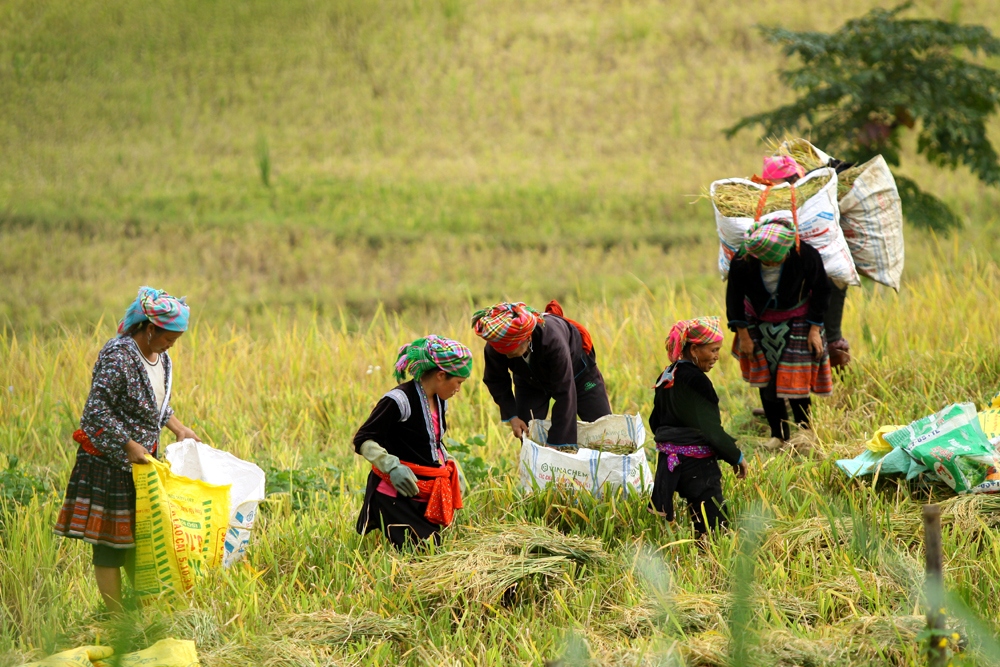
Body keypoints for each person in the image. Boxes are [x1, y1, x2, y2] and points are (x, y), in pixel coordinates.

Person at [54, 287, 199, 614]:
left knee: (142, 539)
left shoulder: (162, 359)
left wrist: (179, 428)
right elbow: (95, 413)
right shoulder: (119, 357)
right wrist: (128, 444)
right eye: (168, 338)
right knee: (110, 545)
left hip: (142, 466)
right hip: (108, 463)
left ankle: (141, 610)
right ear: (150, 329)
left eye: (176, 340)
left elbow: (156, 405)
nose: (171, 344)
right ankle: (117, 618)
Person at [353, 335, 472, 549]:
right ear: (441, 375)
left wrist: (451, 465)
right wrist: (393, 467)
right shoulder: (399, 400)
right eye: (458, 383)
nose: (458, 389)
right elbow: (364, 439)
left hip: (421, 490)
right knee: (426, 551)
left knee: (436, 545)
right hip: (395, 493)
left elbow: (433, 442)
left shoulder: (439, 401)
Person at [727, 215, 833, 448]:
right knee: (766, 382)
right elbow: (734, 298)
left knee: (797, 380)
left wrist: (814, 330)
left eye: (778, 259)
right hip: (756, 322)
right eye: (769, 261)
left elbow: (822, 290)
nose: (776, 263)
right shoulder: (743, 260)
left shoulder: (803, 253)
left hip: (799, 320)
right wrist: (743, 335)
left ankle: (804, 433)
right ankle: (778, 435)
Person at [648, 317, 748, 535]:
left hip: (669, 465)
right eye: (713, 350)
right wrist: (736, 456)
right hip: (698, 467)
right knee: (714, 527)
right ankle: (710, 561)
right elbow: (711, 430)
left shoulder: (667, 375)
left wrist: (674, 445)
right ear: (694, 349)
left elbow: (654, 421)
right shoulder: (698, 381)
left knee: (699, 516)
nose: (716, 357)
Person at [472, 301, 611, 451]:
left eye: (511, 351)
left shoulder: (552, 341)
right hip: (529, 381)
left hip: (578, 374)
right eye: (503, 351)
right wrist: (511, 415)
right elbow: (495, 379)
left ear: (528, 338)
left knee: (603, 431)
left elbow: (565, 391)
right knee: (528, 433)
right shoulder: (497, 344)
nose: (507, 355)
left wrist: (556, 442)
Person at [764, 155, 851, 370]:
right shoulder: (771, 201)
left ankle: (838, 386)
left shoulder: (815, 194)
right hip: (799, 279)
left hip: (820, 276)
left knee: (827, 335)